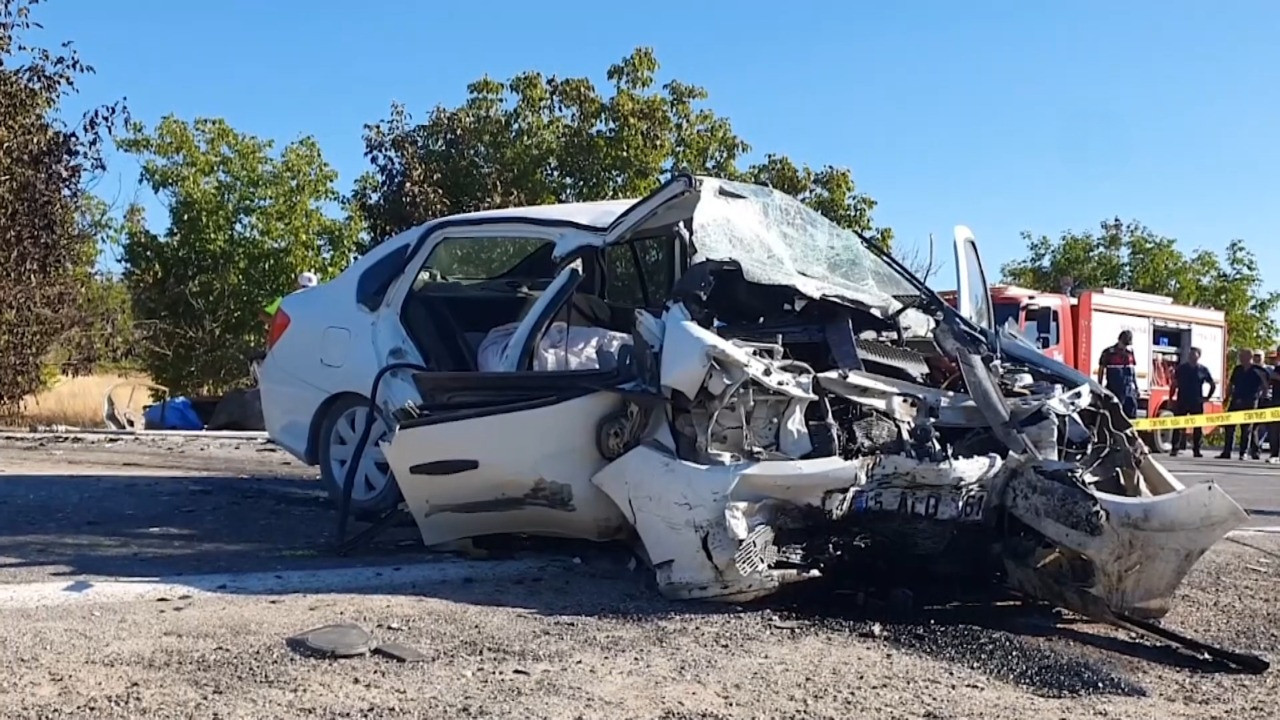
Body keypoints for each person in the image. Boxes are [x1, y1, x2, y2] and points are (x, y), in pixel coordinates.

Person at [1218, 348, 1267, 460]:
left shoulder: (1258, 370)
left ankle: (1243, 452)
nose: (1240, 358)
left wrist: (1261, 399)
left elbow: (1265, 386)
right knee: (1229, 427)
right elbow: (1231, 384)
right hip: (1236, 400)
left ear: (1249, 357)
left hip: (1250, 402)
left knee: (1246, 429)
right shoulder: (1238, 369)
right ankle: (1227, 451)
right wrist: (1227, 397)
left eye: (1242, 356)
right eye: (1240, 356)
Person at [1169, 347, 1216, 457]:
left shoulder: (1203, 370)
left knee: (1197, 427)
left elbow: (1212, 384)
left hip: (1196, 402)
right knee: (1178, 425)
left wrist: (1207, 398)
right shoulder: (1181, 369)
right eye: (1190, 354)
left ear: (1199, 356)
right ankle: (1175, 448)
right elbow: (1174, 384)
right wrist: (1171, 398)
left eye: (1194, 355)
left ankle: (1196, 450)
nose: (1191, 357)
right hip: (1182, 400)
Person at [1097, 330, 1138, 418]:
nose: (1125, 347)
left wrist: (1136, 388)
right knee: (1114, 414)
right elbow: (1101, 369)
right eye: (1124, 344)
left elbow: (1132, 371)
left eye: (1127, 345)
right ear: (1119, 340)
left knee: (1131, 414)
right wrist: (1099, 386)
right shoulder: (1109, 353)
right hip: (1114, 390)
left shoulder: (1130, 353)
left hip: (1128, 391)